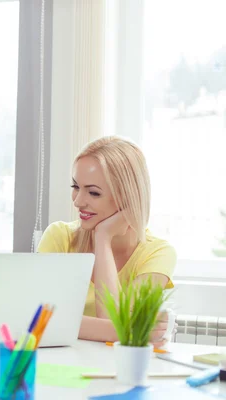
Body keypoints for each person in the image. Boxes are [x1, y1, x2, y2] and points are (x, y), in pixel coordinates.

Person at [37, 136, 176, 346]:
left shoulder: (157, 253)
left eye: (93, 192)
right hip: (61, 366)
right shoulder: (59, 237)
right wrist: (129, 330)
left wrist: (103, 238)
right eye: (75, 187)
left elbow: (111, 321)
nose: (78, 201)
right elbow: (38, 319)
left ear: (127, 197)